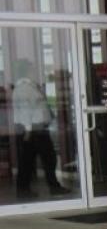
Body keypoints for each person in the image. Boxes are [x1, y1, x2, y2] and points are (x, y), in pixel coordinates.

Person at [12, 59, 70, 198]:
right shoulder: (24, 89)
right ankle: (51, 187)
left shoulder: (29, 87)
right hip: (33, 130)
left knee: (28, 159)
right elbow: (25, 111)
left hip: (35, 129)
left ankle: (24, 189)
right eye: (32, 69)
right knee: (48, 158)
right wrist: (28, 130)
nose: (35, 72)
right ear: (26, 71)